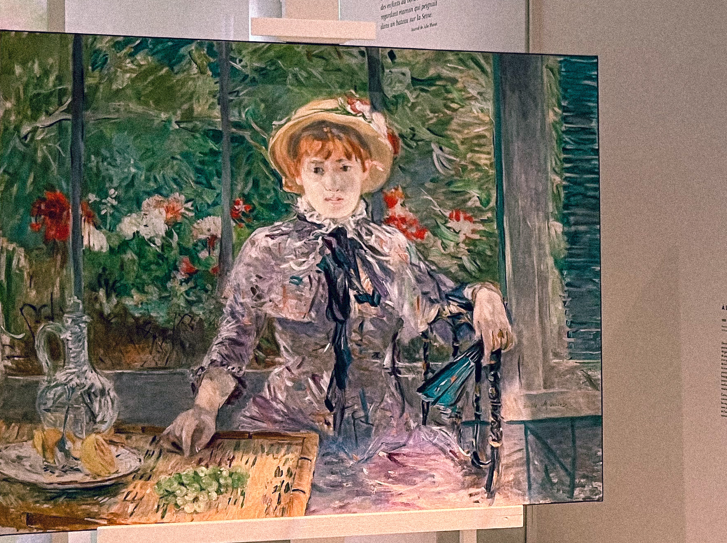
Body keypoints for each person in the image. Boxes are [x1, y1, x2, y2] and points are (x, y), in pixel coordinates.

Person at [161, 96, 513, 460]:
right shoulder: (269, 248)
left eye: (344, 167)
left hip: (380, 430)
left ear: (365, 170)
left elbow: (440, 301)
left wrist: (485, 295)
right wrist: (203, 409)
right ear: (297, 175)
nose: (333, 184)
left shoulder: (389, 248)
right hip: (287, 422)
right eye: (317, 169)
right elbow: (234, 340)